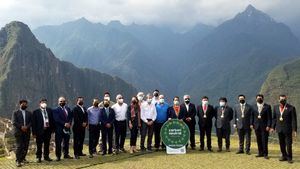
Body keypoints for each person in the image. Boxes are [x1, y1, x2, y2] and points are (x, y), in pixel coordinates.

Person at [270, 95, 297, 163]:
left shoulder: (291, 108)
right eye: (281, 99)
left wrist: (294, 130)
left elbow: (294, 120)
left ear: (286, 100)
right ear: (278, 100)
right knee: (281, 144)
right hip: (279, 129)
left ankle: (289, 158)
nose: (282, 100)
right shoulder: (275, 107)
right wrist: (273, 127)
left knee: (288, 144)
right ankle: (284, 156)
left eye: (284, 99)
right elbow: (274, 119)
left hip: (288, 129)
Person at [32, 99, 54, 163]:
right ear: (40, 103)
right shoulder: (36, 112)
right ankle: (38, 157)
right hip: (39, 131)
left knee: (47, 144)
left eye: (45, 102)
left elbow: (52, 120)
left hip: (48, 130)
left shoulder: (49, 110)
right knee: (39, 145)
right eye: (42, 102)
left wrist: (52, 129)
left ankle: (46, 156)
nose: (44, 103)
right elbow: (34, 123)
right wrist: (34, 133)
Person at [12, 100, 32, 167]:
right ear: (20, 104)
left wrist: (27, 127)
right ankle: (18, 160)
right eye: (23, 104)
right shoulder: (15, 113)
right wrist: (21, 127)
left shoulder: (29, 113)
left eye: (26, 104)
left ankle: (23, 158)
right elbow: (14, 122)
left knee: (26, 146)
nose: (24, 105)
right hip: (18, 132)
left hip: (27, 132)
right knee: (19, 146)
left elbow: (31, 122)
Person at [53, 97, 73, 161]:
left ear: (65, 102)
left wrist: (69, 123)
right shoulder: (55, 110)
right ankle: (58, 156)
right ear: (58, 102)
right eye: (61, 101)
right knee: (58, 143)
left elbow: (70, 117)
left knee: (66, 142)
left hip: (67, 129)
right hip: (59, 129)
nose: (62, 102)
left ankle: (66, 154)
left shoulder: (68, 109)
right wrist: (64, 124)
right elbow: (57, 119)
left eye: (63, 101)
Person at [252, 94, 272, 159]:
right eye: (258, 98)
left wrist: (269, 125)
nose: (259, 99)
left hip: (265, 127)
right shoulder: (254, 106)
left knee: (264, 140)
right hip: (256, 126)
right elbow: (252, 117)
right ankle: (260, 153)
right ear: (256, 99)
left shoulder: (267, 106)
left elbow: (269, 118)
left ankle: (265, 154)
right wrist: (251, 124)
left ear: (263, 99)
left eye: (260, 98)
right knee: (258, 140)